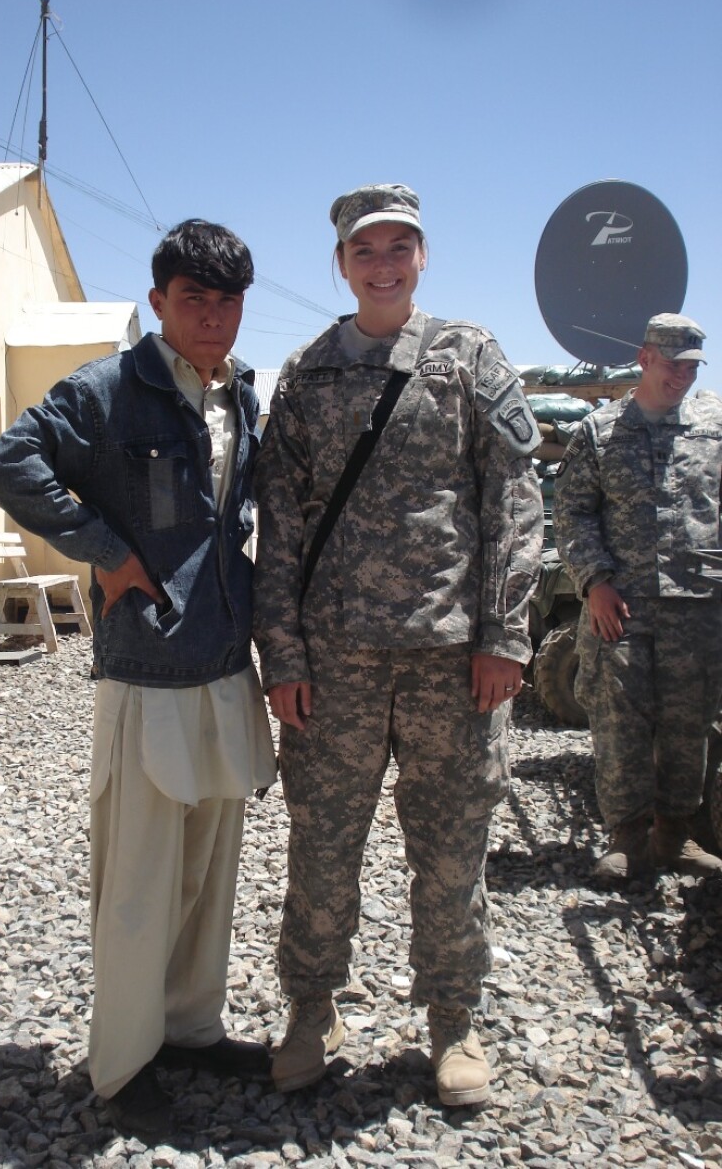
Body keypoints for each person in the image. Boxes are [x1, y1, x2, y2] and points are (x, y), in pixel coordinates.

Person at [0, 219, 277, 1138]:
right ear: (158, 302)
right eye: (196, 299)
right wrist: (105, 553)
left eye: (228, 302)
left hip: (225, 662)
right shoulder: (109, 388)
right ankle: (124, 1063)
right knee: (141, 881)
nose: (214, 319)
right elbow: (7, 462)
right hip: (147, 669)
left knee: (209, 869)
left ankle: (190, 1028)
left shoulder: (240, 396)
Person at [252, 184, 544, 1107]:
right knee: (323, 846)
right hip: (335, 665)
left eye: (399, 247)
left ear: (423, 257)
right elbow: (284, 527)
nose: (383, 263)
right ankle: (311, 1009)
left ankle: (453, 1020)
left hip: (452, 663)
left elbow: (514, 502)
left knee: (453, 852)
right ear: (340, 263)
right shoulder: (306, 374)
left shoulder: (468, 358)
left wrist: (505, 633)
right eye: (365, 249)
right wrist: (285, 656)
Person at [554, 313, 722, 884]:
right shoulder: (601, 432)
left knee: (689, 724)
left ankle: (675, 836)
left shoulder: (715, 425)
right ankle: (627, 839)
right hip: (621, 605)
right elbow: (572, 513)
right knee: (618, 720)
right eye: (673, 364)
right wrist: (595, 581)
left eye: (692, 367)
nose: (683, 377)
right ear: (645, 358)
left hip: (699, 604)